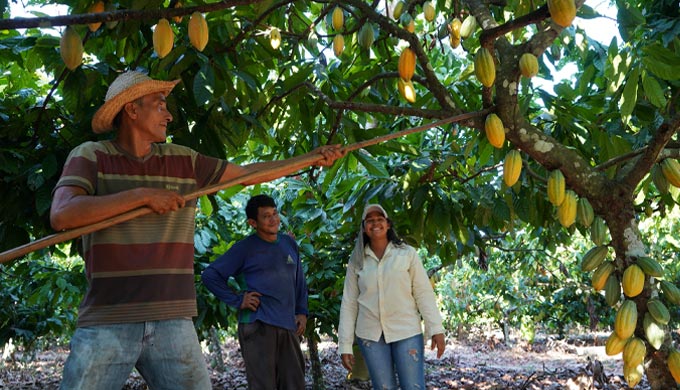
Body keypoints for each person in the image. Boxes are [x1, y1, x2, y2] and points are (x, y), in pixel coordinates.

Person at [49, 70, 344, 390]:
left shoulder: (183, 161)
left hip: (173, 318)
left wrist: (310, 159)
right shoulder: (92, 156)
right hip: (108, 318)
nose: (169, 113)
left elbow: (245, 175)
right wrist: (142, 195)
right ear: (132, 110)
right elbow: (63, 214)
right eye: (159, 104)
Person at [201, 194, 308, 389]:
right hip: (258, 326)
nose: (273, 219)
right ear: (253, 222)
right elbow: (210, 275)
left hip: (287, 324)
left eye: (274, 213)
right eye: (266, 216)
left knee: (294, 383)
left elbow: (299, 279)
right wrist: (238, 299)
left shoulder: (288, 243)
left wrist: (302, 311)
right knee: (263, 385)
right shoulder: (245, 248)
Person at [337, 204, 446, 390]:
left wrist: (436, 328)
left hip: (406, 331)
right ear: (364, 228)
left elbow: (423, 293)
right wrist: (345, 345)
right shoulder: (357, 261)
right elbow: (349, 303)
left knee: (413, 386)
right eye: (370, 221)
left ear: (388, 224)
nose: (375, 224)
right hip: (370, 335)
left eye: (380, 219)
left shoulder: (406, 254)